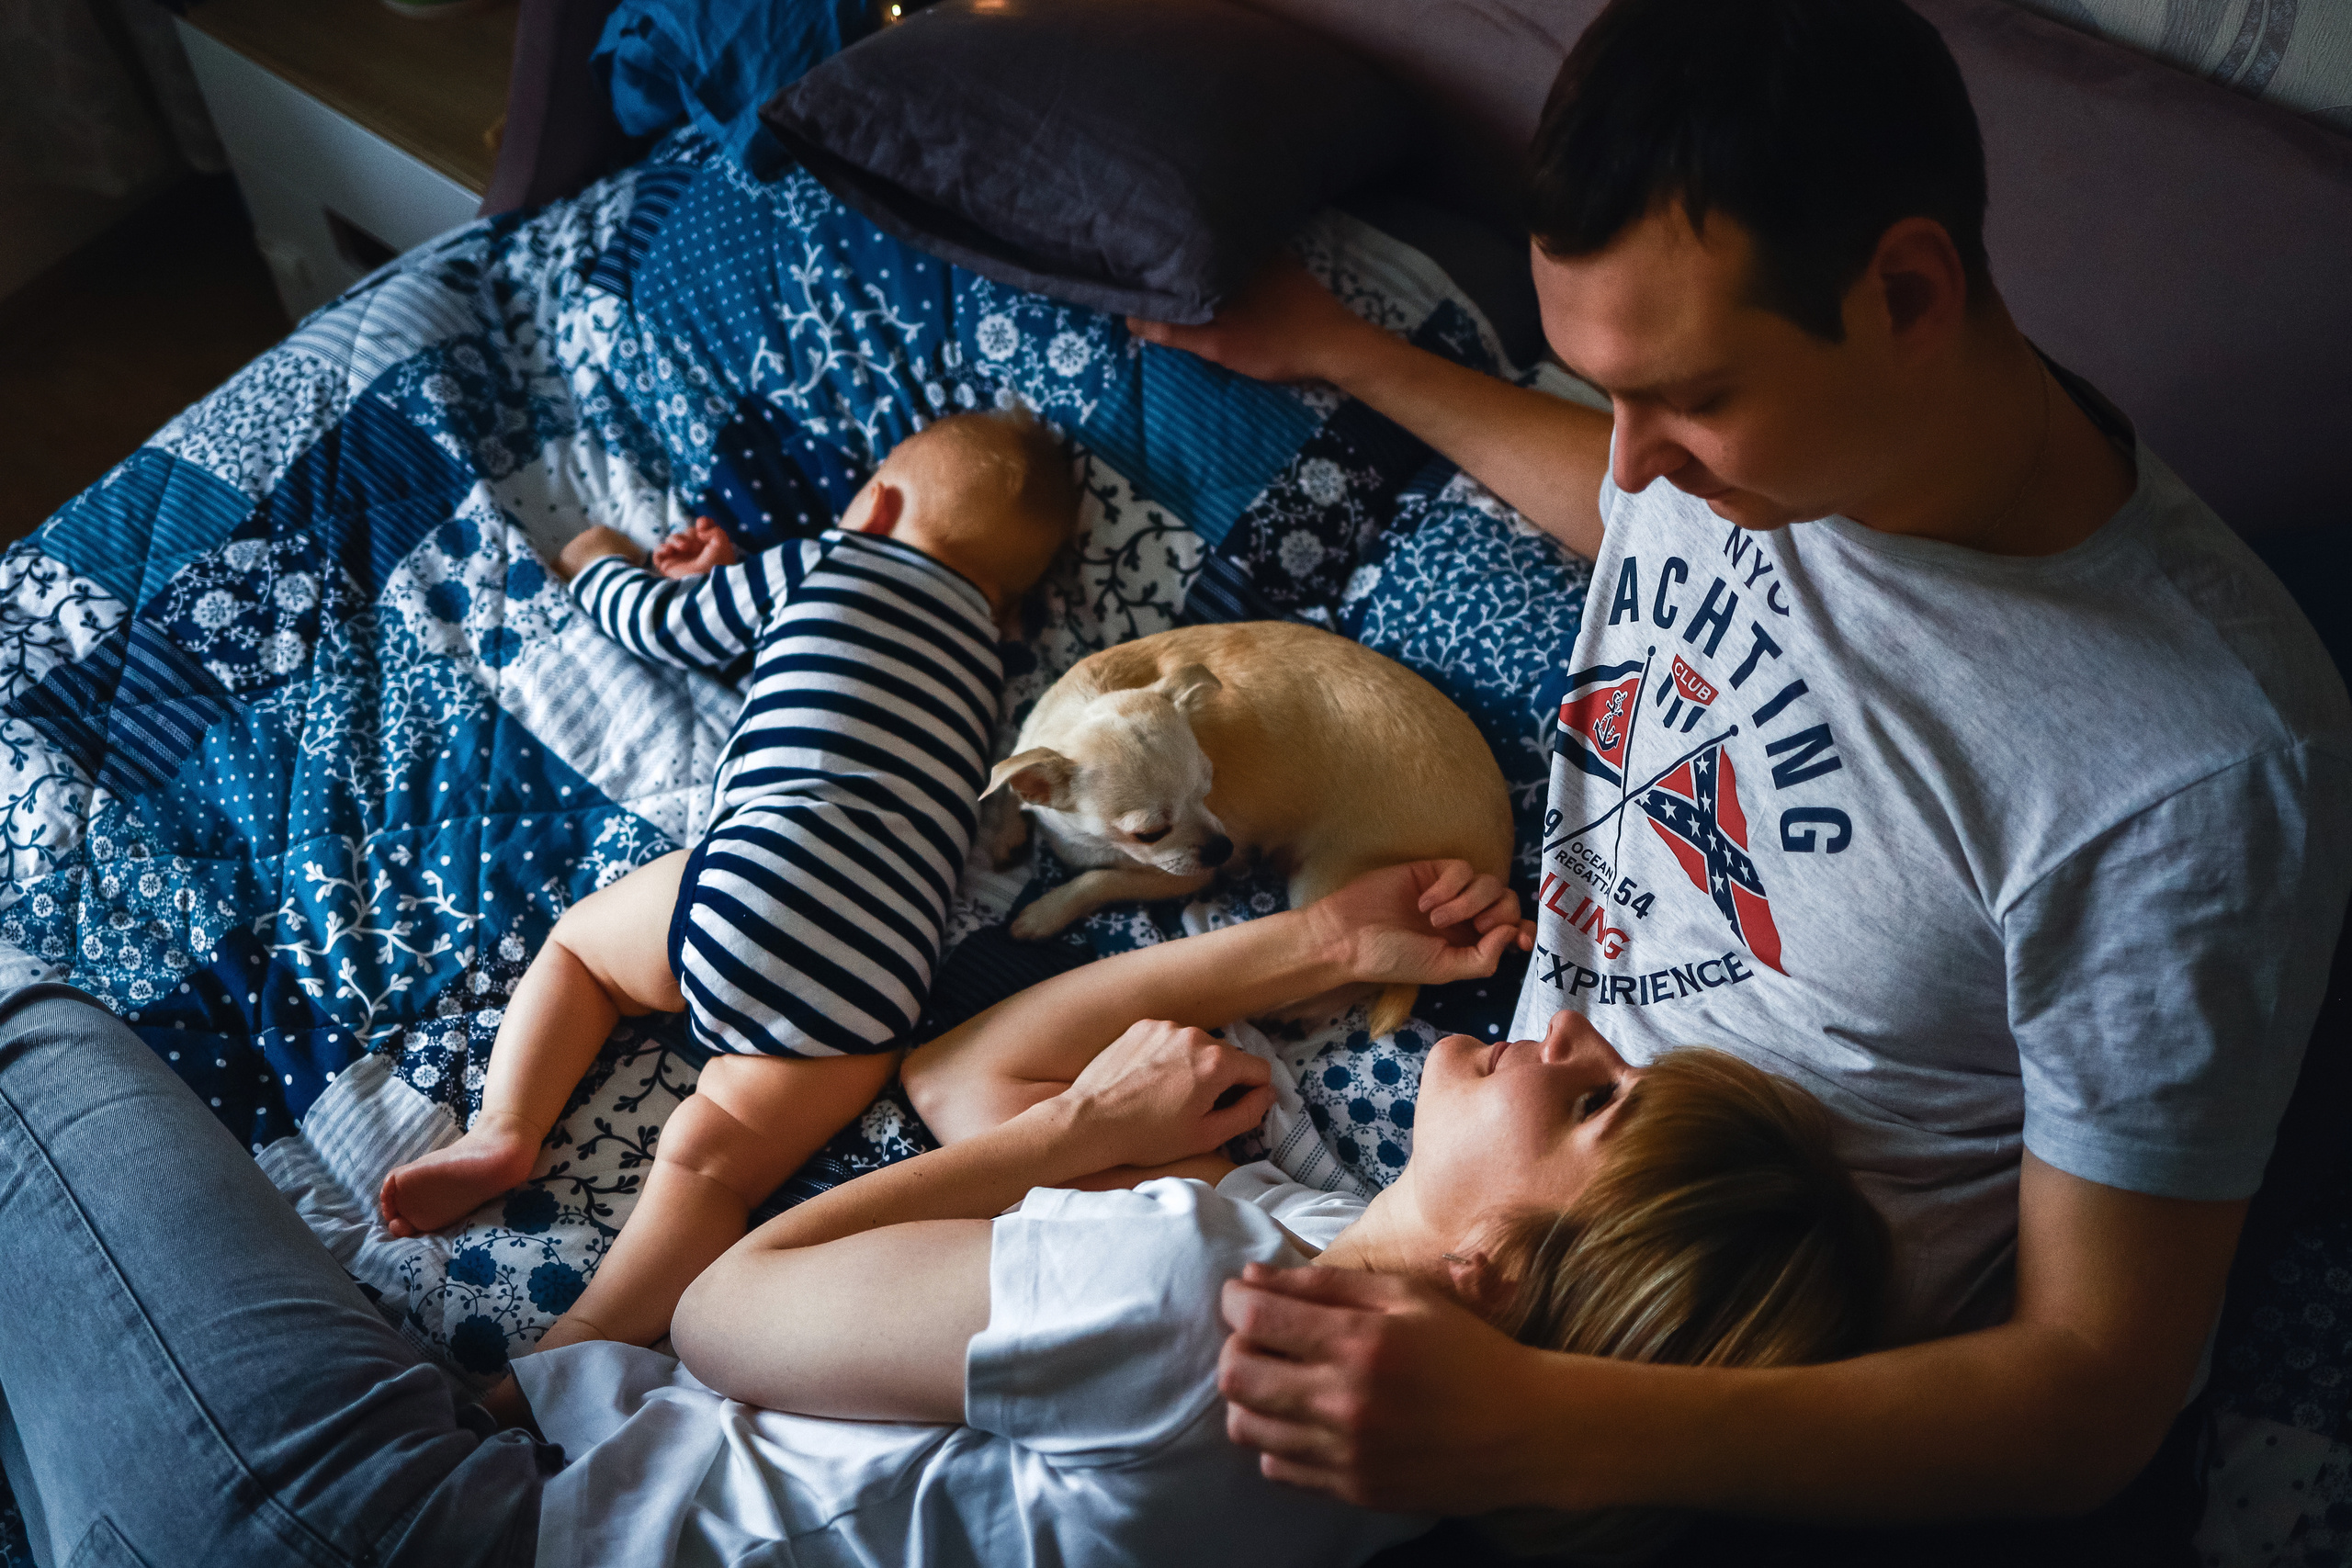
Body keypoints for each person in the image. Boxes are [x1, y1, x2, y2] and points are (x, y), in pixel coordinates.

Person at [1126, 0, 2352, 1548]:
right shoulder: (1767, 458)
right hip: (1478, 1220)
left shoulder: (2200, 766)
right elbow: (1629, 505)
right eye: (1603, 385)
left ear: (1908, 291)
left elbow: (2094, 1387)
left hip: (1691, 1403)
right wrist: (1343, 350)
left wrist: (1542, 1431)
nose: (1638, 461)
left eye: (1689, 398)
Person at [0, 864, 1886, 1567]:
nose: (1562, 1027)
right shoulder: (1334, 1426)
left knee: (31, 1030)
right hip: (469, 1492)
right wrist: (1307, 943)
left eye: (1596, 1102)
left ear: (1503, 1268)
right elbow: (961, 1083)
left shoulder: (1198, 1300)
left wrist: (1080, 1127)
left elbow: (740, 1301)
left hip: (403, 1529)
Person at [376, 408, 1078, 1364]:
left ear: (876, 507)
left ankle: (503, 1130)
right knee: (710, 1170)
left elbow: (662, 625)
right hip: (877, 980)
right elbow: (854, 689)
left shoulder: (826, 562)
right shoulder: (987, 677)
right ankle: (570, 1356)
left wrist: (599, 553)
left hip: (762, 879)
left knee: (582, 954)